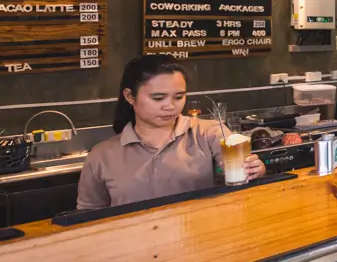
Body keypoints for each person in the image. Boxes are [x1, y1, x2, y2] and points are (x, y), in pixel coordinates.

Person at [77, 55, 266, 210]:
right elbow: (87, 216)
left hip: (199, 241)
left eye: (178, 97)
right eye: (158, 98)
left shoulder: (208, 132)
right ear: (129, 96)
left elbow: (236, 172)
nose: (170, 106)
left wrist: (255, 170)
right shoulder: (102, 155)